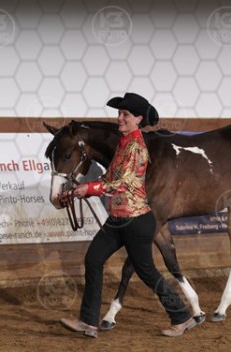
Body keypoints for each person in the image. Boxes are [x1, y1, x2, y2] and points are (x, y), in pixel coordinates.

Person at [60, 92, 197, 338]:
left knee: (146, 272)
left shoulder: (135, 147)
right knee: (93, 259)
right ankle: (88, 321)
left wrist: (90, 188)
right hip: (119, 218)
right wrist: (79, 191)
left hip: (135, 220)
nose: (119, 118)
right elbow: (110, 177)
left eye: (125, 114)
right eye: (119, 113)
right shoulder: (124, 144)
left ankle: (181, 316)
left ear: (138, 119)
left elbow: (123, 184)